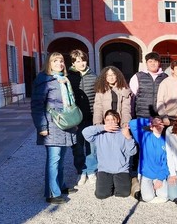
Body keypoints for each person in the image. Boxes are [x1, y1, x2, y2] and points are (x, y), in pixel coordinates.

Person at [31, 52, 78, 204]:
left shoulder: (64, 80)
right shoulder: (44, 80)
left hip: (64, 123)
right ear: (49, 63)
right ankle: (52, 193)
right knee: (54, 159)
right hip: (52, 124)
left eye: (61, 61)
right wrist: (42, 126)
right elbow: (37, 105)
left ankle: (61, 185)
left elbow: (68, 102)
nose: (59, 63)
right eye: (55, 61)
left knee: (61, 158)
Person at [82, 110, 137, 199]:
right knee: (101, 194)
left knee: (124, 193)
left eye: (113, 119)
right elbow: (85, 132)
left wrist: (128, 137)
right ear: (104, 120)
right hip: (105, 169)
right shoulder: (99, 134)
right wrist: (102, 127)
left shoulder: (124, 132)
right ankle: (109, 182)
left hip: (121, 169)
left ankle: (127, 180)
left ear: (118, 120)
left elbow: (132, 152)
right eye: (108, 120)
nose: (110, 122)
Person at [92, 66, 132, 185]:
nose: (111, 77)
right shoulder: (101, 90)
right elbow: (98, 107)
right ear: (105, 77)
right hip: (106, 123)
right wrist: (98, 125)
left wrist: (125, 124)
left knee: (121, 148)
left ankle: (124, 171)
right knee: (105, 148)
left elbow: (126, 109)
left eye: (113, 75)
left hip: (119, 123)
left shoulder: (124, 89)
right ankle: (105, 171)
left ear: (118, 76)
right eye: (108, 75)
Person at [67, 49, 97, 186]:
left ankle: (91, 170)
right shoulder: (68, 77)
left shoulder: (94, 76)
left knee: (91, 146)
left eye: (83, 60)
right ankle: (81, 170)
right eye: (78, 61)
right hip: (76, 118)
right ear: (73, 62)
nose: (81, 63)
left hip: (90, 116)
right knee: (77, 146)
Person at [129, 116, 169, 203]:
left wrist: (160, 179)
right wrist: (149, 121)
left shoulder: (165, 141)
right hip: (145, 174)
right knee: (148, 197)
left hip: (158, 174)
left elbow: (165, 162)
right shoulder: (144, 136)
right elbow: (132, 124)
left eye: (160, 123)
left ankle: (153, 187)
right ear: (151, 127)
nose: (158, 126)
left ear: (163, 126)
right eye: (156, 124)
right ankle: (135, 182)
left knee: (164, 196)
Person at [129, 51, 168, 118]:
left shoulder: (165, 77)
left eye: (155, 61)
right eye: (150, 61)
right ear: (146, 63)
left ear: (159, 63)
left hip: (159, 116)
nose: (153, 64)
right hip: (142, 115)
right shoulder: (138, 76)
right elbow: (133, 97)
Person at [156, 60, 177, 125]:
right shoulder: (165, 83)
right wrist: (164, 117)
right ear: (172, 70)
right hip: (168, 117)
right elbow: (160, 102)